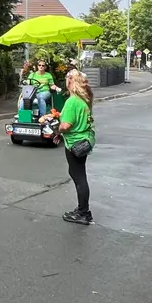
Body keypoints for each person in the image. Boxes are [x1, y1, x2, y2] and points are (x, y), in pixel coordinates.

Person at [57, 69, 96, 225]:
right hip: (84, 140)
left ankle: (83, 213)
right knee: (77, 174)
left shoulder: (72, 101)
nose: (65, 80)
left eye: (67, 78)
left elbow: (66, 125)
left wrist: (57, 129)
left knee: (79, 177)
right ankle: (82, 209)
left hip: (75, 142)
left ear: (70, 81)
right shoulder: (84, 98)